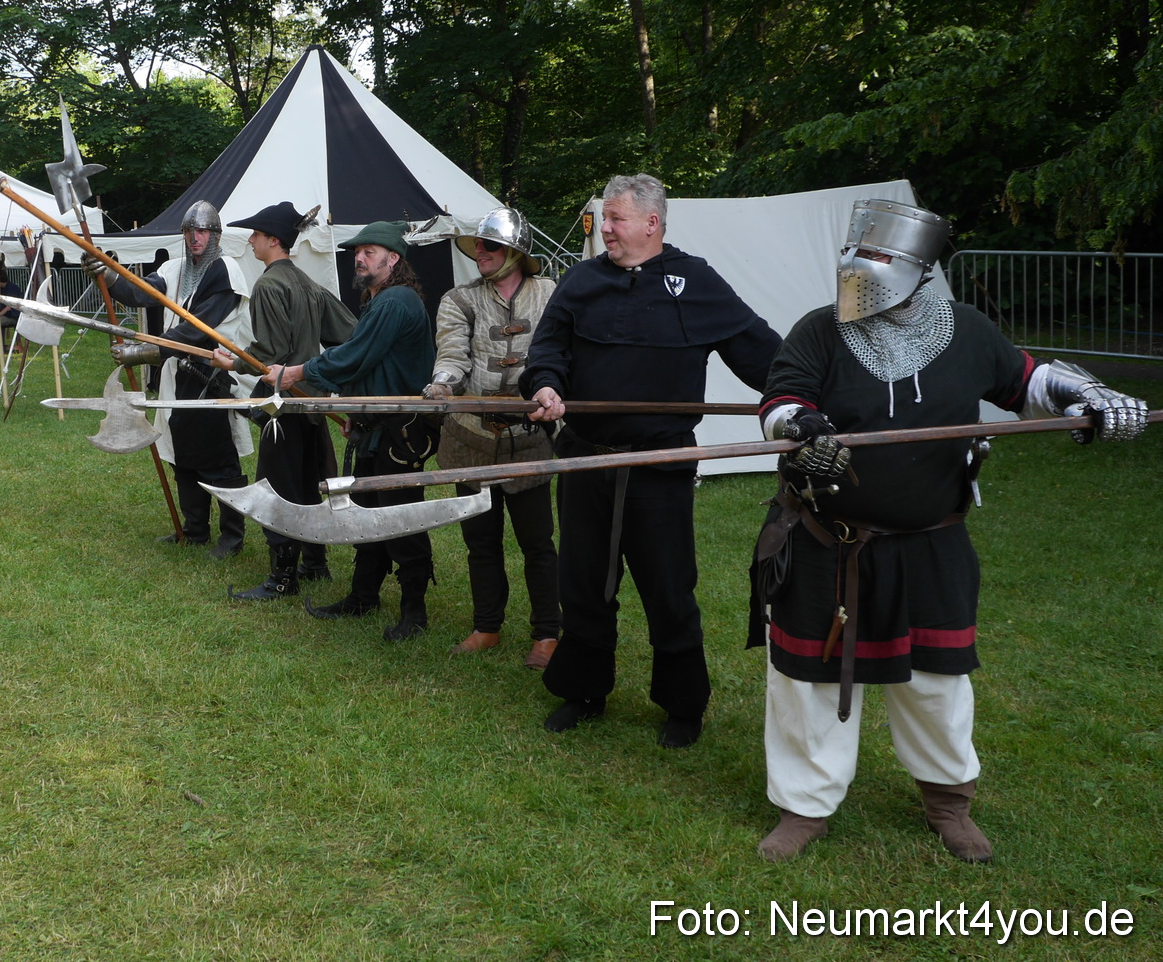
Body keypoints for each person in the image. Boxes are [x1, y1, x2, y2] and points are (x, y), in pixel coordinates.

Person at [749, 198, 1149, 863]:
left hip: (931, 542)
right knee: (808, 681)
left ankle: (947, 800)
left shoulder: (965, 330)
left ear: (919, 269)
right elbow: (782, 400)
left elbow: (1031, 380)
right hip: (829, 540)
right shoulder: (819, 331)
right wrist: (801, 429)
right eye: (858, 259)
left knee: (937, 679)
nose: (862, 275)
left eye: (879, 262)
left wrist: (1093, 394)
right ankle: (805, 804)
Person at [525, 174, 780, 747]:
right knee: (585, 583)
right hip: (586, 462)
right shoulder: (581, 280)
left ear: (652, 223)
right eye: (603, 219)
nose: (604, 229)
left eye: (614, 219)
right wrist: (544, 386)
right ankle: (583, 690)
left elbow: (762, 354)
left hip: (659, 467)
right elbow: (549, 351)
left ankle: (682, 704)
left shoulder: (696, 282)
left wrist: (798, 398)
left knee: (669, 588)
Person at [265, 221, 437, 640]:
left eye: (371, 251)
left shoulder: (396, 302)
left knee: (400, 520)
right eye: (357, 251)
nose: (359, 258)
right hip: (375, 427)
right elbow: (370, 366)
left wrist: (299, 372)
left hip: (401, 432)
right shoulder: (379, 301)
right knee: (367, 514)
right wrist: (355, 414)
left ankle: (414, 614)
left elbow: (355, 357)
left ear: (393, 259)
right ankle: (363, 597)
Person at [427, 208, 562, 669]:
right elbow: (452, 351)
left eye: (490, 246)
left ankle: (547, 634)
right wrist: (443, 383)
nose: (479, 253)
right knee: (480, 541)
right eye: (478, 246)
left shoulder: (548, 295)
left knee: (537, 543)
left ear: (515, 253)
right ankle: (487, 626)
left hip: (530, 441)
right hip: (471, 441)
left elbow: (561, 350)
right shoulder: (459, 299)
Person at [86, 202, 253, 559]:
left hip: (211, 379)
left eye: (203, 231)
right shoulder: (175, 268)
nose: (195, 237)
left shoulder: (227, 271)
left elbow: (198, 331)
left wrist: (145, 352)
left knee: (220, 462)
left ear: (215, 235)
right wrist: (108, 274)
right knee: (182, 456)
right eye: (190, 231)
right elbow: (141, 293)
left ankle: (231, 538)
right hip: (178, 378)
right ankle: (194, 531)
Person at [212, 202, 358, 600]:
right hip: (310, 404)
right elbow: (350, 336)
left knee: (278, 488)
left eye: (257, 235)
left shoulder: (269, 285)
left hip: (284, 406)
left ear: (274, 240)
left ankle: (283, 578)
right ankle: (315, 563)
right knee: (311, 482)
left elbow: (269, 351)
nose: (252, 241)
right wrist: (319, 373)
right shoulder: (308, 283)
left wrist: (233, 360)